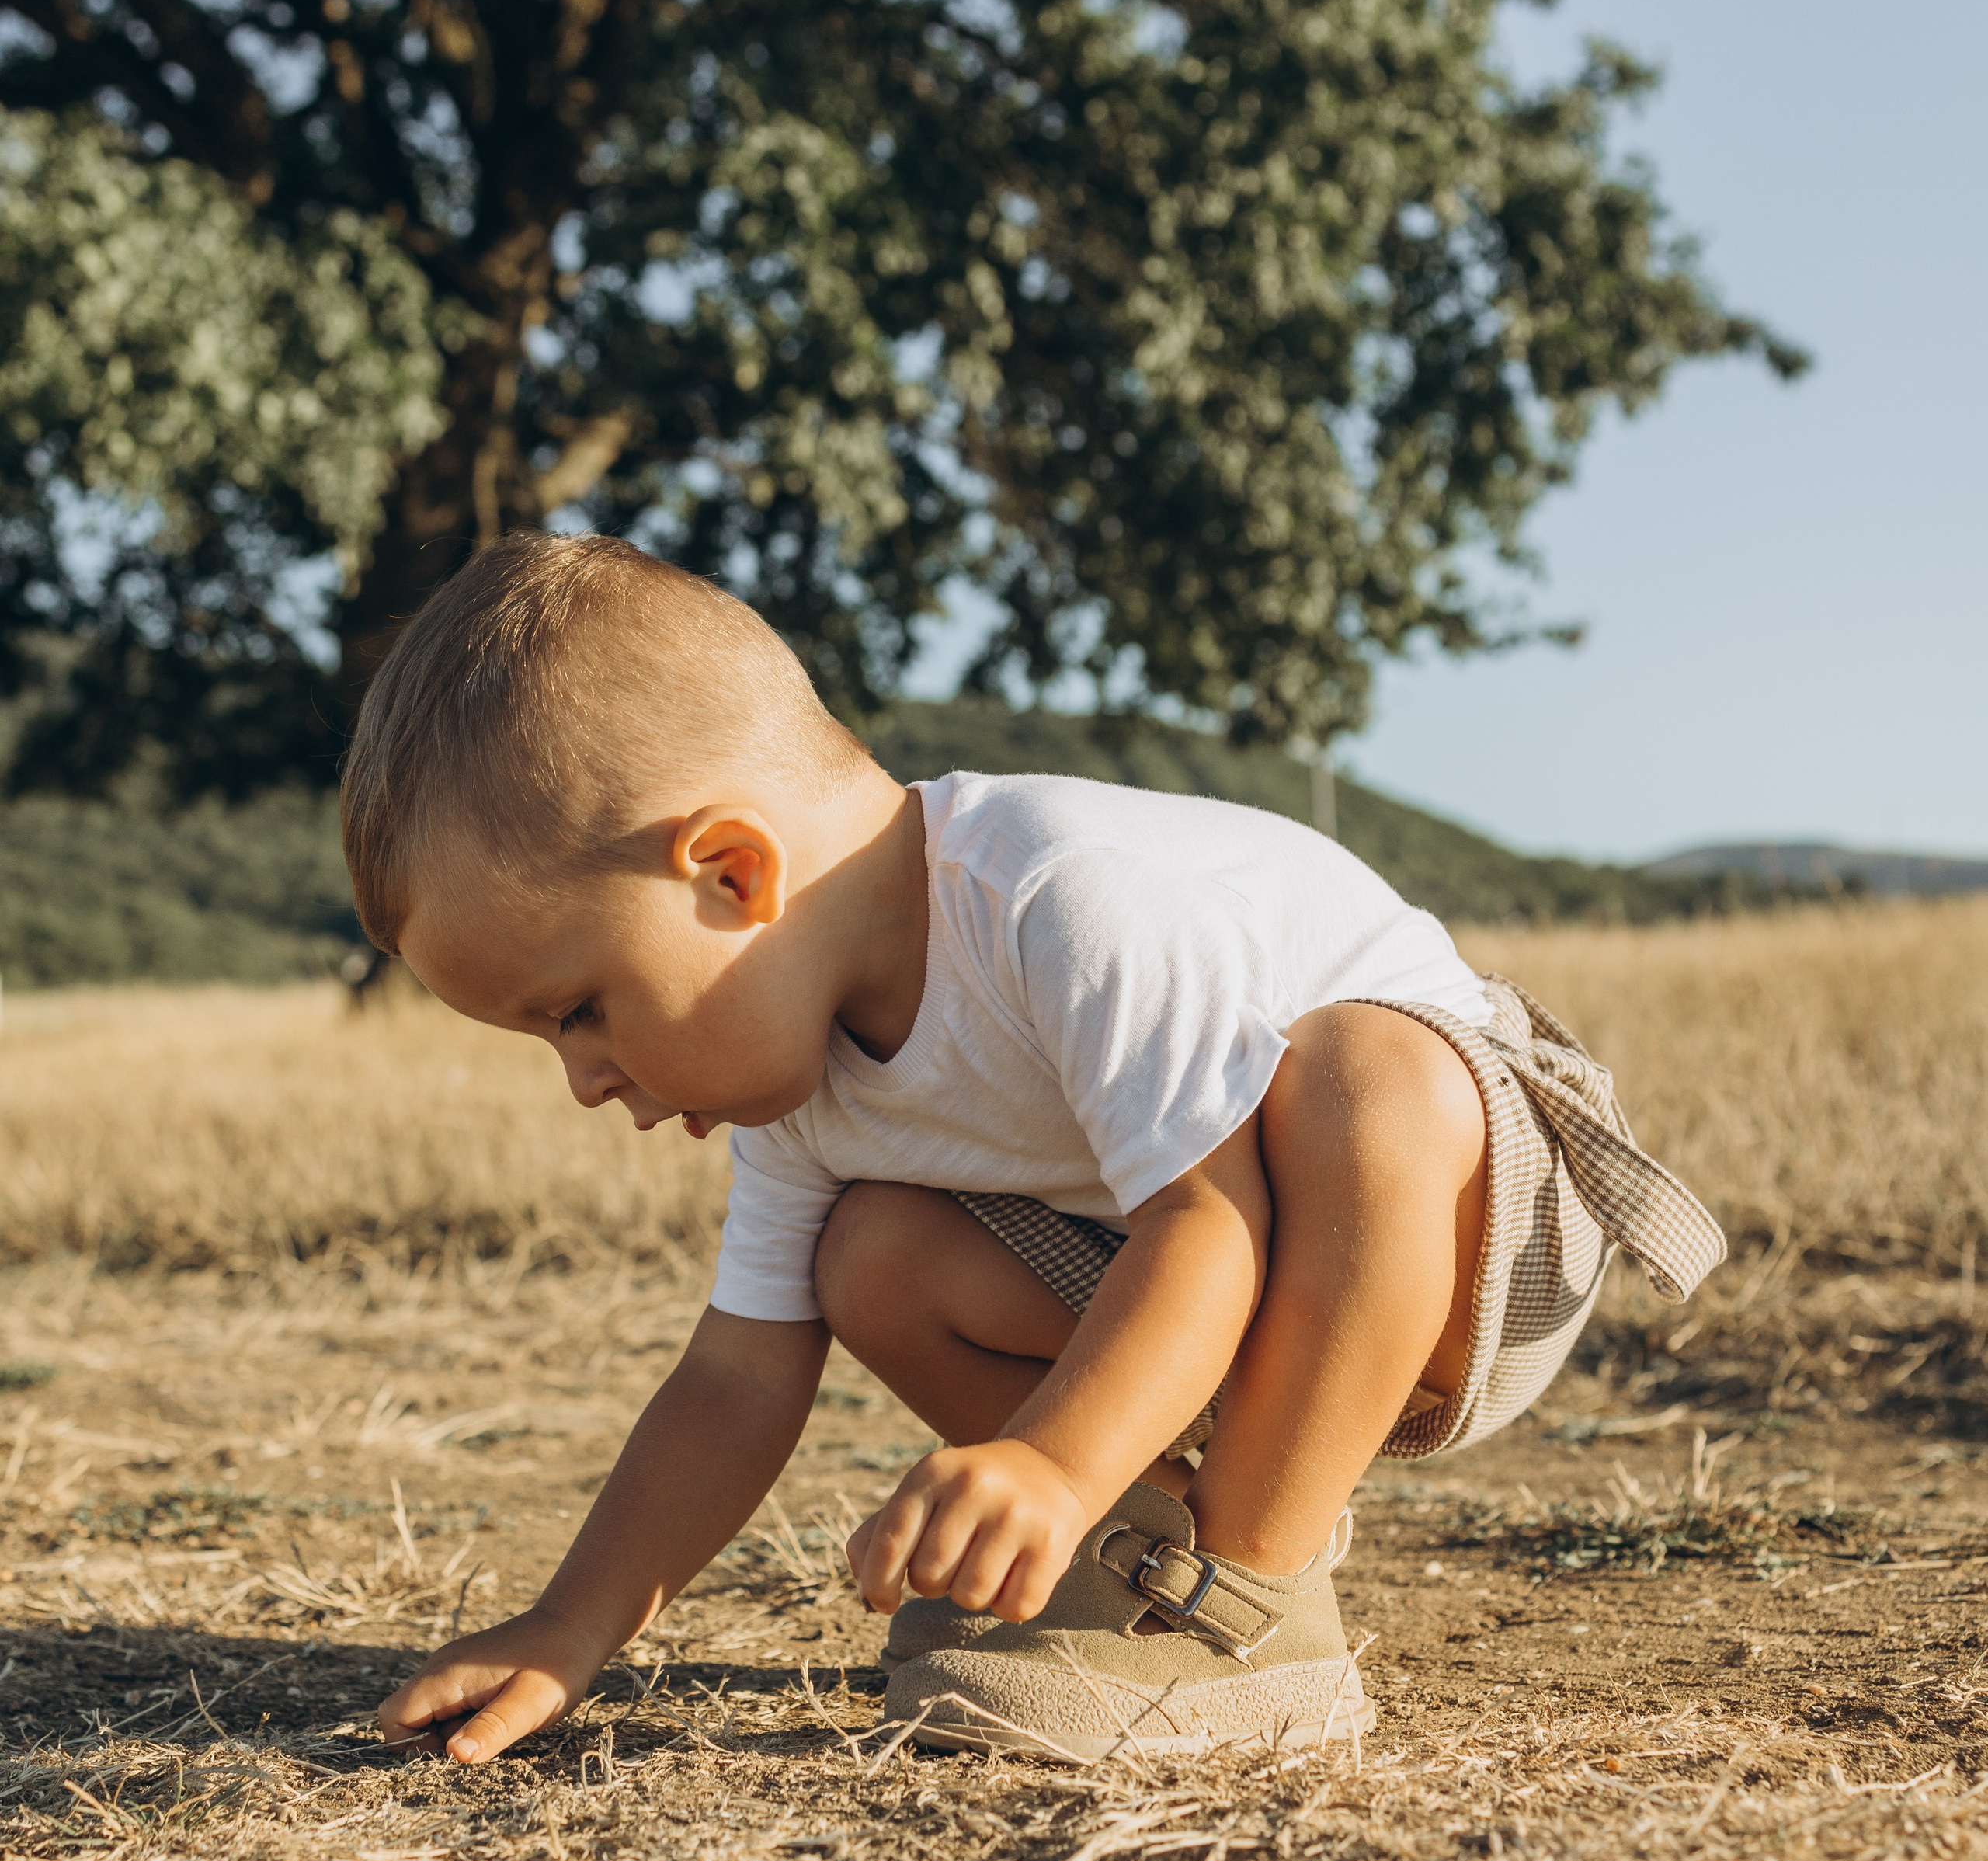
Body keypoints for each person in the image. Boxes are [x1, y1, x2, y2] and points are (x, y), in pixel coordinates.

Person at [347, 534, 1723, 1765]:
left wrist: (1049, 1462)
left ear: (730, 874)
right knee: (868, 1256)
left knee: (1370, 1076)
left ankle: (1245, 1590)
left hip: (1462, 1239)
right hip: (1190, 1283)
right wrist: (573, 1624)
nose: (587, 1081)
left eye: (580, 1010)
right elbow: (736, 1371)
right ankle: (1149, 1552)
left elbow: (1213, 1224)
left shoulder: (1058, 898)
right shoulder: (801, 1084)